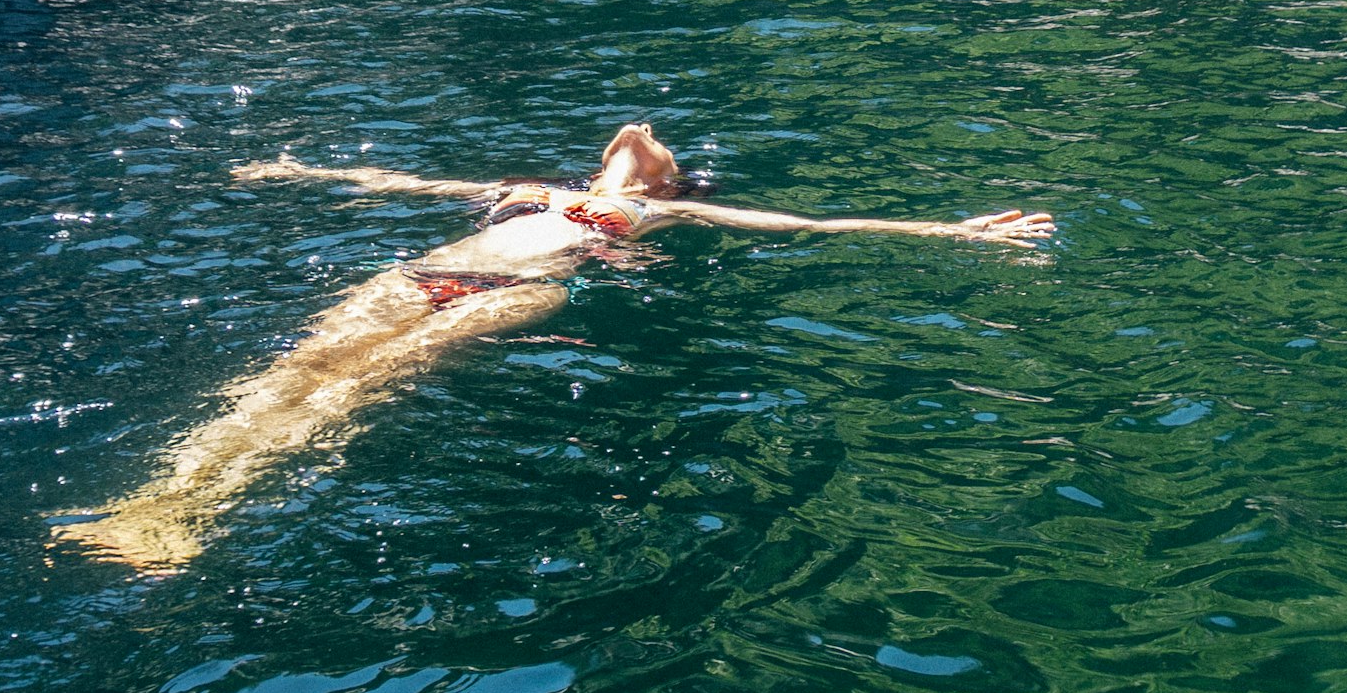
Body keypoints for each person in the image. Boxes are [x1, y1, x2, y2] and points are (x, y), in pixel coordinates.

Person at [63, 122, 1054, 570]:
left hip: (517, 291)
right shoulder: (535, 185)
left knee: (349, 391)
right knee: (286, 377)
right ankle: (149, 506)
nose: (647, 128)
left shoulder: (656, 219)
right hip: (425, 270)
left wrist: (951, 232)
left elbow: (805, 226)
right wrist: (294, 168)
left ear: (666, 184)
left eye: (659, 144)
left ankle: (202, 513)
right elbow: (402, 183)